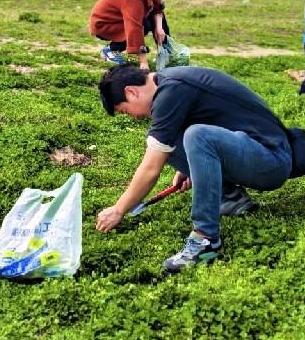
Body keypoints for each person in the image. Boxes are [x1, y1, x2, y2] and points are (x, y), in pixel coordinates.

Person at [95, 64, 293, 274]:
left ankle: (206, 240)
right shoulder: (169, 81)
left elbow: (151, 168)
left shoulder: (171, 91)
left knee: (196, 136)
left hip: (272, 160)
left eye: (125, 111)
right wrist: (193, 166)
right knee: (165, 139)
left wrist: (119, 209)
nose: (133, 117)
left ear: (131, 92)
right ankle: (230, 198)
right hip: (250, 150)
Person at [89, 0, 172, 66]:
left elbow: (157, 7)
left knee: (156, 19)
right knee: (145, 25)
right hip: (105, 25)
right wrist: (143, 63)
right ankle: (111, 50)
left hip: (120, 19)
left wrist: (159, 28)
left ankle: (166, 54)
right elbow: (134, 28)